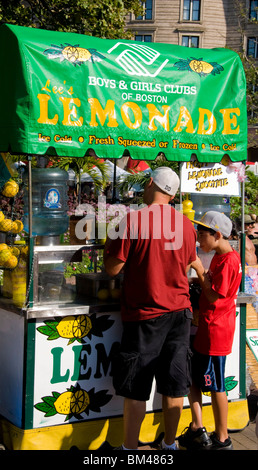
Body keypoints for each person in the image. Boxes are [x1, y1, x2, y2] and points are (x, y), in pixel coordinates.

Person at [104, 166, 197, 450]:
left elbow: (112, 268)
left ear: (151, 184)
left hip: (146, 314)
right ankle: (169, 444)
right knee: (174, 385)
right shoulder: (186, 225)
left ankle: (130, 448)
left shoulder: (133, 220)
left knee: (136, 387)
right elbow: (187, 264)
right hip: (180, 312)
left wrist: (110, 245)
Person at [178, 211, 242, 450]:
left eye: (202, 235)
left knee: (216, 385)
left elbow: (214, 295)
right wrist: (198, 280)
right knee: (195, 378)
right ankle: (197, 427)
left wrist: (198, 269)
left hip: (217, 329)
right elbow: (211, 285)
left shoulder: (229, 260)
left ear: (217, 234)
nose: (198, 240)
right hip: (205, 325)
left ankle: (223, 437)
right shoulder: (217, 255)